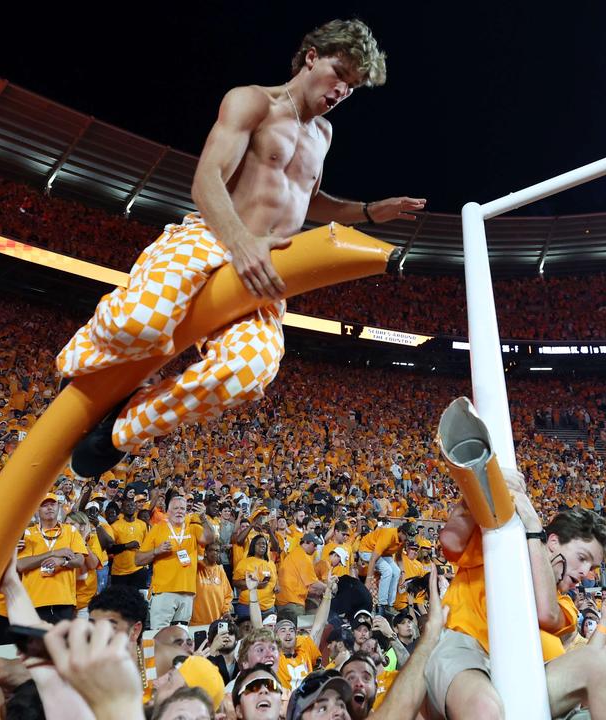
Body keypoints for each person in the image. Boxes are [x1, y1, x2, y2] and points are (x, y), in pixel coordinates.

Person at [59, 18, 424, 477]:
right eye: (339, 73)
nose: (342, 91)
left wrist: (371, 211)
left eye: (352, 87)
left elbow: (309, 201)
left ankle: (121, 431)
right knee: (143, 323)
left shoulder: (324, 135)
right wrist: (241, 242)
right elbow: (206, 179)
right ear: (312, 56)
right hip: (212, 237)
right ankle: (81, 361)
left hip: (265, 270)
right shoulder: (251, 100)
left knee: (250, 371)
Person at [430, 472, 606, 720]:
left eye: (593, 568)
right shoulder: (502, 542)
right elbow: (451, 541)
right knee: (483, 709)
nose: (586, 573)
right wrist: (479, 487)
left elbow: (545, 613)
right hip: (466, 653)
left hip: (528, 683)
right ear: (552, 542)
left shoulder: (564, 603)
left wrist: (533, 527)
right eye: (582, 558)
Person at [136, 494, 215, 629]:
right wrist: (156, 551)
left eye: (183, 508)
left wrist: (203, 518)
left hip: (187, 592)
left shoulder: (193, 527)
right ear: (168, 511)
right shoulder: (157, 528)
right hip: (164, 592)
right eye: (176, 508)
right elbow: (138, 560)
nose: (179, 511)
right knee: (160, 636)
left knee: (181, 638)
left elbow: (210, 538)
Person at [16, 493, 88, 623]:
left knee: (62, 643)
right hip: (34, 601)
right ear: (37, 509)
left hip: (64, 600)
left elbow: (80, 560)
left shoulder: (70, 530)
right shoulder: (28, 533)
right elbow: (21, 565)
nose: (49, 508)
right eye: (44, 505)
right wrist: (53, 553)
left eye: (52, 504)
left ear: (58, 507)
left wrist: (63, 561)